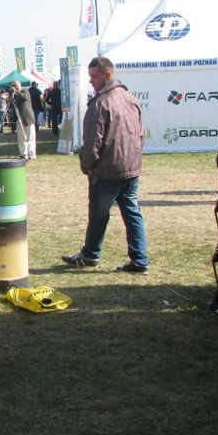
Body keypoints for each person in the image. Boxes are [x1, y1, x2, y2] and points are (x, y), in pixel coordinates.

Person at [61, 56, 149, 273]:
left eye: (94, 76)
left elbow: (92, 143)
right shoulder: (130, 98)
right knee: (132, 212)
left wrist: (87, 166)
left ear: (107, 76)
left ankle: (90, 254)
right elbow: (140, 135)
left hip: (108, 170)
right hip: (130, 167)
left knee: (99, 215)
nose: (91, 81)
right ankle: (139, 259)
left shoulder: (100, 103)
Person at [12, 81, 36, 160]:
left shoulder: (25, 91)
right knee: (21, 139)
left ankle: (31, 155)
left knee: (30, 138)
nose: (15, 87)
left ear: (20, 85)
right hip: (19, 119)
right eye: (13, 86)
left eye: (16, 85)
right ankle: (23, 155)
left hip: (27, 119)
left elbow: (25, 97)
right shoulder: (14, 95)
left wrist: (16, 91)